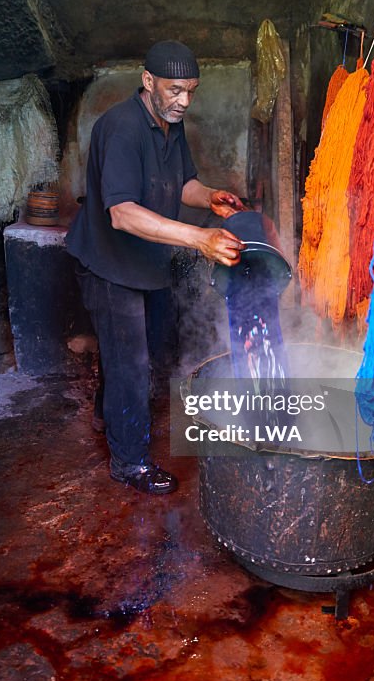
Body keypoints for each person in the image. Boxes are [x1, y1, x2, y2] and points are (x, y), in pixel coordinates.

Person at [66, 40, 244, 495]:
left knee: (130, 349)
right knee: (131, 362)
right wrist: (199, 237)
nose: (185, 100)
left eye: (192, 91)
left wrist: (209, 198)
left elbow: (181, 182)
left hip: (145, 261)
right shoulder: (121, 128)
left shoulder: (170, 124)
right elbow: (121, 213)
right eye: (176, 89)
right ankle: (129, 463)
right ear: (149, 82)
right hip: (109, 262)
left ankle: (107, 415)